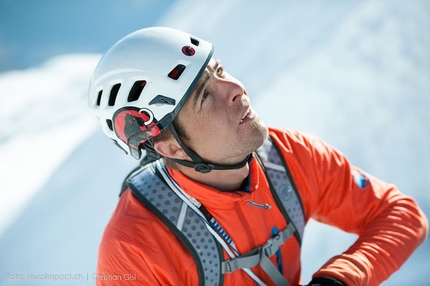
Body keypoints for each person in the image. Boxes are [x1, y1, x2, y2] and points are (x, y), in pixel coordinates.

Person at [88, 27, 428, 286]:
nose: (236, 89)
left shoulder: (291, 159)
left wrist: (340, 279)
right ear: (171, 148)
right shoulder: (134, 248)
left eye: (219, 71)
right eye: (205, 96)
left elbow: (400, 214)